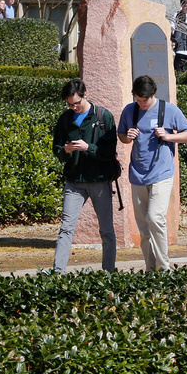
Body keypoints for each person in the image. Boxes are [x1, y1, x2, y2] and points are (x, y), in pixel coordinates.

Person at [117, 76, 187, 271]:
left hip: (162, 172)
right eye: (138, 99)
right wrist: (127, 137)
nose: (142, 104)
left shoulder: (168, 110)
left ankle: (164, 267)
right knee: (144, 226)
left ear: (154, 94)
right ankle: (151, 269)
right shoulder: (130, 110)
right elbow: (121, 136)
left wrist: (168, 136)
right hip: (137, 174)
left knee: (155, 217)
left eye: (145, 100)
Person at [51, 78, 118, 274]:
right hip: (74, 181)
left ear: (85, 95)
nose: (74, 107)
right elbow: (56, 150)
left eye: (77, 103)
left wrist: (89, 148)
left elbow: (110, 152)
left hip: (99, 180)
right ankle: (58, 273)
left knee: (106, 230)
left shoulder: (104, 117)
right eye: (70, 104)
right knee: (66, 228)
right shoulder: (65, 118)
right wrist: (66, 150)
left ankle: (109, 272)